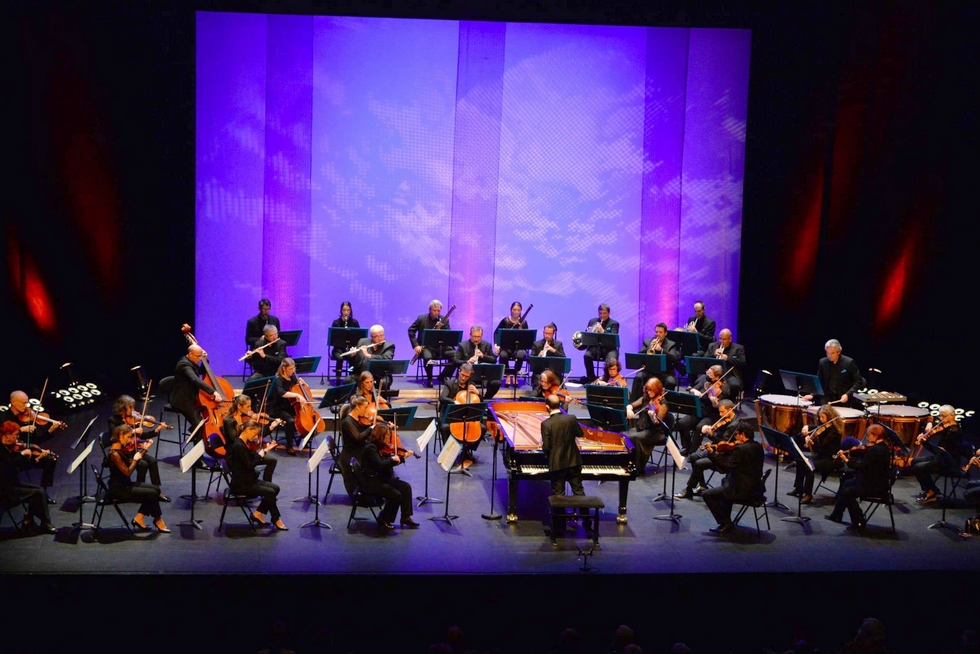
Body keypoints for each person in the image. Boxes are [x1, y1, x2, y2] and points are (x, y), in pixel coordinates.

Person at [701, 420, 765, 534]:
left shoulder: (740, 449)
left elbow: (725, 468)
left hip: (742, 491)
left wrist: (712, 454)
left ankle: (725, 522)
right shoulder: (758, 447)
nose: (735, 437)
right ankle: (726, 520)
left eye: (736, 434)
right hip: (756, 487)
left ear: (743, 435)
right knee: (726, 481)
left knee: (707, 494)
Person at [541, 394, 591, 534]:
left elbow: (547, 447)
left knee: (558, 495)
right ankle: (587, 524)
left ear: (547, 407)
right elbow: (580, 434)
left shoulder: (546, 424)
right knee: (579, 492)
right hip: (574, 461)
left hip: (557, 464)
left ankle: (559, 527)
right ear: (559, 405)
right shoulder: (571, 418)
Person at [105, 424, 169, 533]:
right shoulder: (114, 454)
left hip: (125, 485)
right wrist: (135, 460)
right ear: (120, 436)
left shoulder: (121, 449)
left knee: (156, 490)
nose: (130, 441)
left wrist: (144, 449)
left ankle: (139, 517)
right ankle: (158, 520)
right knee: (152, 494)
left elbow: (130, 462)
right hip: (119, 490)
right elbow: (127, 472)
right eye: (128, 437)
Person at [826, 424, 891, 529]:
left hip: (875, 486)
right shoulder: (884, 448)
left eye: (869, 435)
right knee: (846, 484)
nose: (867, 438)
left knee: (848, 492)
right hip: (876, 481)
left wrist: (846, 460)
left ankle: (859, 521)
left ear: (875, 436)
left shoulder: (874, 450)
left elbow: (861, 467)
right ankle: (836, 515)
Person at [0, 391, 60, 504]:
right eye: (23, 403)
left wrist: (50, 431)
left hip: (26, 453)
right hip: (12, 459)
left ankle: (43, 492)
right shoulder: (2, 418)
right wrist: (20, 430)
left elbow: (35, 441)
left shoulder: (26, 417)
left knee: (50, 459)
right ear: (13, 402)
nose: (26, 406)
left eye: (27, 403)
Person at [107, 395, 169, 502]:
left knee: (153, 461)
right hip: (125, 452)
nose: (133, 411)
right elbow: (115, 435)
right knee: (143, 464)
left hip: (132, 450)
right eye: (130, 408)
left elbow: (141, 436)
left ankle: (156, 489)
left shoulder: (131, 420)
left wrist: (157, 430)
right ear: (123, 407)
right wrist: (133, 431)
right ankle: (140, 491)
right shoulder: (113, 420)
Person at [227, 420, 287, 530]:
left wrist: (265, 450)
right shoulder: (238, 446)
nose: (256, 437)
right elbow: (249, 465)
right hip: (241, 485)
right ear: (248, 430)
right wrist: (261, 455)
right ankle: (276, 518)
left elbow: (251, 457)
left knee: (275, 488)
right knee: (271, 492)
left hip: (248, 479)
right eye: (255, 433)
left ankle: (258, 513)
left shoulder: (243, 443)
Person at [357, 422, 418, 529]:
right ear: (381, 436)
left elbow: (386, 463)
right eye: (387, 435)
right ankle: (384, 518)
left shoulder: (378, 446)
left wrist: (403, 457)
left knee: (406, 487)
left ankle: (405, 517)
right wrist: (392, 459)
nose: (389, 438)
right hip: (372, 483)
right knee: (396, 495)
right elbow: (380, 465)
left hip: (381, 478)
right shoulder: (370, 449)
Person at [1, 421, 56, 533]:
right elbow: (9, 465)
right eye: (15, 435)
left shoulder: (9, 447)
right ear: (7, 435)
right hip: (5, 489)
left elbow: (18, 465)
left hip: (13, 483)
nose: (17, 438)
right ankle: (43, 522)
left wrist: (39, 456)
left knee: (39, 491)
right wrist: (22, 454)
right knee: (38, 492)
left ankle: (30, 519)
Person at [675, 400, 737, 499]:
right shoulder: (726, 419)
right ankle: (702, 485)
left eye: (722, 412)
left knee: (698, 463)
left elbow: (722, 442)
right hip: (716, 449)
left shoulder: (734, 425)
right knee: (693, 457)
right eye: (719, 412)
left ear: (730, 410)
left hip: (723, 455)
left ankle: (689, 489)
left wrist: (711, 435)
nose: (720, 415)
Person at [790, 404, 844, 504]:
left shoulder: (835, 432)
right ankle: (799, 488)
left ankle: (808, 494)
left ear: (830, 417)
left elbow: (822, 447)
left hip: (831, 459)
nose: (820, 419)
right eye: (819, 417)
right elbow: (814, 427)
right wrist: (806, 426)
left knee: (809, 466)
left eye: (823, 417)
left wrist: (812, 441)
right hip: (821, 455)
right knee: (800, 461)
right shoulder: (822, 426)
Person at [219, 395, 278, 484]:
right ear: (239, 406)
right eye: (248, 406)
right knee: (268, 460)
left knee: (272, 460)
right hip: (235, 455)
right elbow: (236, 440)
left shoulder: (244, 418)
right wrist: (252, 439)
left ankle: (267, 484)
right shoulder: (229, 421)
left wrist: (270, 428)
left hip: (247, 451)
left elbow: (254, 434)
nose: (250, 409)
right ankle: (250, 487)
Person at [910, 404, 962, 504]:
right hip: (942, 458)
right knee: (914, 461)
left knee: (918, 467)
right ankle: (931, 489)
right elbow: (934, 430)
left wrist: (925, 442)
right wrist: (927, 430)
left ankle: (931, 492)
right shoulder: (948, 426)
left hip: (950, 462)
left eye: (943, 416)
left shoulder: (953, 431)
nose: (940, 418)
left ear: (952, 416)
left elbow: (939, 451)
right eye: (940, 415)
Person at [675, 364, 730, 454]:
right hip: (699, 410)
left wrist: (714, 401)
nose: (708, 376)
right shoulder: (705, 380)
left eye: (710, 375)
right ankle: (687, 447)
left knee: (700, 427)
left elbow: (720, 407)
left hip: (711, 414)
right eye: (708, 373)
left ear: (717, 377)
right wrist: (695, 391)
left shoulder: (724, 388)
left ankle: (692, 452)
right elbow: (692, 389)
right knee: (682, 423)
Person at [439, 363, 487, 466]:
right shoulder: (450, 383)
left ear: (470, 376)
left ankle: (466, 450)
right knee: (445, 428)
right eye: (462, 375)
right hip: (450, 416)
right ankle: (448, 453)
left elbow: (480, 402)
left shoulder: (471, 386)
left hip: (466, 418)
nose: (463, 378)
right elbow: (442, 398)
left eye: (466, 376)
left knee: (482, 428)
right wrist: (454, 402)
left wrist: (478, 393)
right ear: (459, 371)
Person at [172, 344, 223, 431]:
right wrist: (213, 391)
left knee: (205, 419)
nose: (200, 359)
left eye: (201, 356)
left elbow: (199, 372)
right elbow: (195, 379)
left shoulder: (192, 361)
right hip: (184, 400)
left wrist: (205, 360)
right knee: (200, 427)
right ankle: (197, 436)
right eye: (198, 356)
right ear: (190, 354)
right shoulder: (184, 364)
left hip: (194, 397)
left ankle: (196, 434)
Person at [803, 339, 864, 408]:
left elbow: (858, 381)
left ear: (838, 352)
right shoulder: (823, 362)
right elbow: (819, 381)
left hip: (844, 399)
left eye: (832, 353)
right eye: (827, 353)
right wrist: (812, 394)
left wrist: (847, 394)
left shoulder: (848, 363)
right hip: (827, 399)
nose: (829, 356)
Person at [408, 299, 456, 387]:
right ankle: (429, 378)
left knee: (457, 356)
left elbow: (448, 335)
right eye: (434, 310)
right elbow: (411, 331)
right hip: (427, 347)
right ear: (430, 310)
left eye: (438, 310)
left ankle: (443, 376)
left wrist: (441, 329)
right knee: (427, 357)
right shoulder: (421, 319)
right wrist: (416, 345)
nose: (436, 313)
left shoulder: (444, 320)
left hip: (442, 347)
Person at [625, 377, 669, 473]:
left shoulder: (663, 404)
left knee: (634, 437)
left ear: (657, 389)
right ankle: (627, 463)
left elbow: (657, 422)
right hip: (641, 427)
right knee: (625, 435)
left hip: (654, 432)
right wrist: (629, 410)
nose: (649, 392)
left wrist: (653, 416)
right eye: (648, 390)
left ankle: (637, 468)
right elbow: (631, 405)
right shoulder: (646, 398)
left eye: (651, 390)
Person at [630, 322, 680, 401]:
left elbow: (674, 358)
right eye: (656, 332)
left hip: (665, 373)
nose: (658, 334)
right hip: (649, 371)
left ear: (665, 333)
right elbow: (640, 355)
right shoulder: (647, 342)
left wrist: (661, 350)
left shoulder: (671, 344)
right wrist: (649, 347)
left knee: (671, 382)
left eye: (660, 332)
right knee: (638, 377)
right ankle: (633, 404)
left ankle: (667, 406)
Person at [454, 326, 501, 400]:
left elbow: (493, 360)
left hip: (483, 375)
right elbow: (455, 361)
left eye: (479, 337)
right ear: (470, 335)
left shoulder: (487, 345)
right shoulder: (462, 345)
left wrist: (483, 356)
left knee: (496, 382)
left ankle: (485, 399)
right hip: (468, 375)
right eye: (474, 336)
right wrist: (467, 361)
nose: (476, 339)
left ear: (482, 336)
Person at [339, 396, 373, 495]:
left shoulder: (358, 419)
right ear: (357, 407)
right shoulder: (347, 422)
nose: (366, 411)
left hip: (358, 450)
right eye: (365, 407)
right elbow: (358, 437)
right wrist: (371, 428)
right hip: (351, 455)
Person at [269, 358, 304, 455]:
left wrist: (304, 385)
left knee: (307, 420)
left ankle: (301, 439)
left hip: (291, 407)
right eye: (290, 369)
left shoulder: (293, 378)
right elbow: (282, 393)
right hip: (279, 408)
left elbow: (301, 390)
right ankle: (289, 446)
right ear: (284, 368)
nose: (293, 371)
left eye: (294, 368)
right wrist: (297, 395)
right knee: (291, 421)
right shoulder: (278, 380)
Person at [581, 304, 619, 383]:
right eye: (600, 313)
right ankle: (592, 380)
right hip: (596, 348)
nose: (602, 316)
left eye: (604, 313)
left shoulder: (614, 324)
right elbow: (587, 336)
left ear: (609, 313)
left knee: (611, 360)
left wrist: (602, 331)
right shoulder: (593, 321)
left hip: (609, 349)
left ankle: (605, 380)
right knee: (587, 355)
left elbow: (613, 339)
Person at [494, 301, 529, 388]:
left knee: (521, 354)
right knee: (503, 355)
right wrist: (496, 344)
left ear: (521, 311)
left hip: (519, 348)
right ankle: (508, 375)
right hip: (507, 347)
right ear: (511, 310)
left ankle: (515, 375)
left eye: (518, 310)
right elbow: (496, 333)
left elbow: (527, 337)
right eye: (514, 309)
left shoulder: (524, 323)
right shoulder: (505, 321)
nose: (516, 312)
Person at [705, 328, 746, 398]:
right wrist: (713, 355)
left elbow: (743, 362)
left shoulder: (738, 348)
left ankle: (729, 401)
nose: (721, 341)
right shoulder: (712, 346)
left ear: (730, 339)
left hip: (729, 374)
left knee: (734, 384)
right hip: (714, 374)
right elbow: (704, 359)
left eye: (724, 339)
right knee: (702, 379)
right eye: (720, 338)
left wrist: (728, 358)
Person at [330, 301, 361, 382]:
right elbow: (332, 339)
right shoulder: (336, 323)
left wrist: (354, 349)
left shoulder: (354, 323)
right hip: (338, 349)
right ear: (341, 311)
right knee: (339, 358)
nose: (346, 312)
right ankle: (338, 379)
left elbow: (359, 338)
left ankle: (351, 378)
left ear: (350, 311)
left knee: (354, 357)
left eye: (348, 310)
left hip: (350, 349)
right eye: (344, 310)